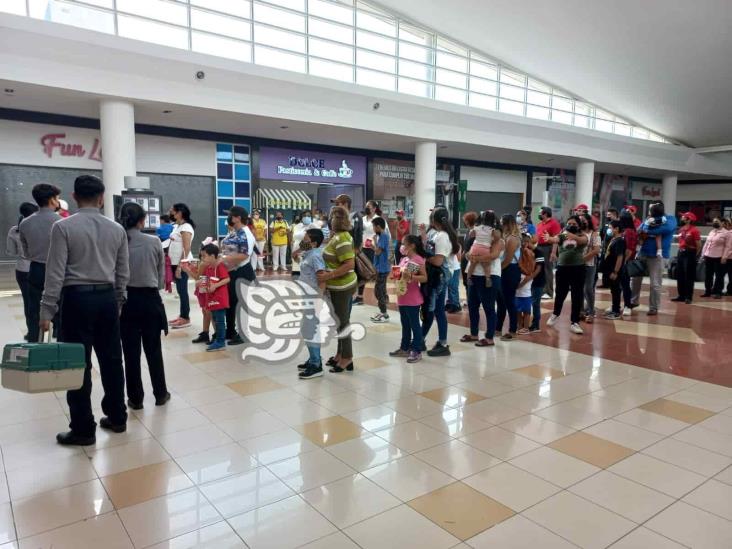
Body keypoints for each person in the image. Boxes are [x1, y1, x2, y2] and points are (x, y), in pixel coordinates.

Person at [40, 175, 128, 446]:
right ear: (102, 198)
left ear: (75, 197)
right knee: (112, 360)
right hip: (106, 300)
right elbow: (122, 271)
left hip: (76, 300)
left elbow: (55, 272)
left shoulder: (63, 227)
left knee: (78, 364)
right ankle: (117, 417)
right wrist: (118, 302)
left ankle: (83, 429)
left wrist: (46, 309)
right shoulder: (116, 229)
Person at [118, 203, 170, 410]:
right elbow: (159, 278)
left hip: (126, 301)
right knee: (153, 350)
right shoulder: (153, 241)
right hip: (149, 300)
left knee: (130, 354)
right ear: (142, 220)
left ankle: (135, 399)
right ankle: (160, 394)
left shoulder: (118, 241)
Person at [20, 183, 63, 343]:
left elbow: (26, 253)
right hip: (58, 271)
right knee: (61, 314)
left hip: (36, 270)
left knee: (34, 314)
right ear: (52, 200)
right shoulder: (62, 222)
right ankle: (62, 349)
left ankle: (34, 347)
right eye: (57, 198)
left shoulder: (25, 223)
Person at [318, 206, 357, 373]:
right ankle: (340, 354)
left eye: (333, 217)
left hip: (342, 286)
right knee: (339, 321)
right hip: (336, 286)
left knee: (342, 322)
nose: (330, 220)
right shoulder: (337, 237)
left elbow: (349, 264)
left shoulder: (342, 239)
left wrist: (328, 276)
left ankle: (347, 358)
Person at [422, 206, 460, 356]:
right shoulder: (440, 234)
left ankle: (434, 341)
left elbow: (438, 261)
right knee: (435, 310)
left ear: (434, 219)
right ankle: (425, 339)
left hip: (439, 277)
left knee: (434, 310)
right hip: (437, 277)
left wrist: (423, 255)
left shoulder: (442, 236)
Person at [462, 210, 503, 347]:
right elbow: (469, 251)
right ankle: (474, 334)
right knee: (472, 306)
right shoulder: (478, 234)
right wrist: (469, 256)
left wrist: (476, 258)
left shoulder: (498, 238)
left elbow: (493, 255)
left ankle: (489, 337)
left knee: (489, 307)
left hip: (489, 275)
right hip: (473, 274)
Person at [545, 215, 589, 334]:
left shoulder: (582, 236)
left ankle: (575, 322)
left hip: (578, 269)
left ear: (579, 226)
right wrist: (549, 238)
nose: (571, 225)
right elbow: (555, 240)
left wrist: (572, 235)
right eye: (569, 223)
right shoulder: (563, 235)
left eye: (574, 224)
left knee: (577, 295)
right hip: (562, 268)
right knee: (560, 293)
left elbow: (583, 241)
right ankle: (555, 314)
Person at [631, 202, 676, 315]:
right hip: (643, 252)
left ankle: (654, 307)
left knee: (655, 283)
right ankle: (633, 301)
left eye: (651, 208)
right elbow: (639, 230)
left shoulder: (670, 219)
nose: (649, 210)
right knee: (635, 279)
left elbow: (666, 229)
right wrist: (647, 228)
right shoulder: (648, 219)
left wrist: (648, 231)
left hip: (658, 255)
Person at [221, 206, 256, 345]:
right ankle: (230, 331)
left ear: (238, 218)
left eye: (231, 215)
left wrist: (224, 259)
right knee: (230, 303)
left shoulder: (245, 233)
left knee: (241, 304)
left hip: (242, 272)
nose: (229, 218)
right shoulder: (235, 232)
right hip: (231, 271)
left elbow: (244, 254)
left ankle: (243, 334)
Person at [389, 234, 428, 362]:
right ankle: (404, 348)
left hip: (412, 299)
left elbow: (423, 277)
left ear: (412, 246)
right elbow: (398, 275)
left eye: (404, 244)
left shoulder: (417, 260)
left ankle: (416, 350)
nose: (402, 246)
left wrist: (411, 277)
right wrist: (394, 274)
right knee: (405, 324)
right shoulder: (405, 259)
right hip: (402, 297)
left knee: (414, 325)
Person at [297, 228, 328, 379]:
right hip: (306, 296)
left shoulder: (316, 256)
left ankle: (316, 365)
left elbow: (322, 278)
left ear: (314, 243)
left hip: (312, 297)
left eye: (306, 239)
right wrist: (301, 248)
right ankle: (313, 358)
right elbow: (294, 255)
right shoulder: (308, 253)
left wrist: (319, 300)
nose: (303, 241)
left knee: (311, 329)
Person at [6, 202, 40, 340]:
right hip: (42, 266)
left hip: (23, 269)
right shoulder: (45, 227)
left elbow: (11, 251)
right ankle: (55, 328)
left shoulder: (15, 230)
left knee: (29, 301)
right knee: (51, 299)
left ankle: (32, 332)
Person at [196, 243, 231, 352]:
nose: (202, 258)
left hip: (219, 298)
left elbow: (226, 279)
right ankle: (218, 339)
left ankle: (220, 342)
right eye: (202, 256)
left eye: (204, 256)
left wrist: (215, 285)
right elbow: (206, 279)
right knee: (215, 319)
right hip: (211, 298)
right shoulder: (208, 268)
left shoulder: (219, 266)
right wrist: (200, 282)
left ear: (212, 256)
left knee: (220, 321)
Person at [496, 214, 522, 341]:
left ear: (507, 224)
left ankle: (513, 330)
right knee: (501, 301)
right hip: (504, 269)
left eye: (502, 223)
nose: (500, 225)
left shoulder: (512, 239)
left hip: (510, 270)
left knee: (509, 301)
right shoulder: (505, 237)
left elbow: (508, 259)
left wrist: (497, 270)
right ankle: (498, 328)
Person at [168, 203, 195, 328]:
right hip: (174, 263)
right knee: (179, 290)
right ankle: (182, 315)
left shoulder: (186, 227)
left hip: (182, 264)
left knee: (183, 290)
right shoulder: (177, 226)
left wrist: (180, 266)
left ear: (179, 213)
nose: (170, 212)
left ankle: (186, 317)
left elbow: (186, 248)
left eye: (172, 210)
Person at [672, 212, 702, 304]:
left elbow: (699, 245)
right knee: (680, 274)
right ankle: (681, 295)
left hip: (690, 253)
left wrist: (694, 255)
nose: (682, 218)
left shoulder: (694, 230)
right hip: (681, 252)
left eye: (684, 217)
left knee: (689, 275)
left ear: (689, 219)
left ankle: (688, 297)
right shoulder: (681, 229)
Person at [356, 199, 381, 305]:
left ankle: (381, 296)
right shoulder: (362, 219)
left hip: (372, 249)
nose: (367, 208)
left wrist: (376, 245)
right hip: (362, 249)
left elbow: (384, 234)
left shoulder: (378, 219)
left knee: (370, 273)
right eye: (366, 206)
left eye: (369, 207)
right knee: (360, 271)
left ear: (375, 208)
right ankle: (360, 296)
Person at [602, 220, 627, 320]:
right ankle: (614, 308)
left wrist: (615, 271)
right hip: (610, 269)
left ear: (616, 229)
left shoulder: (620, 241)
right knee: (613, 290)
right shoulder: (614, 239)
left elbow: (620, 257)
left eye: (610, 227)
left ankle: (616, 311)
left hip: (615, 270)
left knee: (616, 290)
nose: (609, 230)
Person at [701, 217, 731, 299]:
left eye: (717, 221)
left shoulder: (727, 233)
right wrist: (703, 254)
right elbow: (706, 244)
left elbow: (728, 247)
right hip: (708, 256)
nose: (714, 223)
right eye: (713, 221)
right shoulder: (712, 231)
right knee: (708, 275)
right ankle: (708, 291)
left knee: (719, 276)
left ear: (722, 223)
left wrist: (724, 257)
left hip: (719, 257)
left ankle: (718, 292)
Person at [536, 206, 561, 298]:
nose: (539, 214)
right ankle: (542, 290)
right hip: (539, 247)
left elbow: (556, 239)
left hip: (548, 247)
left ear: (545, 214)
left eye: (540, 213)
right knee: (540, 270)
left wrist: (553, 252)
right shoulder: (540, 224)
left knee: (547, 270)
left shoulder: (554, 223)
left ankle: (549, 292)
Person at [581, 213, 601, 323]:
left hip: (590, 264)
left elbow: (596, 250)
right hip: (578, 265)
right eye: (581, 220)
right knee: (579, 288)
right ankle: (581, 311)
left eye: (584, 220)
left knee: (588, 288)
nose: (583, 222)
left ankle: (591, 312)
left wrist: (583, 259)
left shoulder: (594, 234)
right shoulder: (578, 233)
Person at [370, 216, 391, 323]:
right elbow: (379, 250)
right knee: (380, 290)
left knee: (378, 291)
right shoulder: (381, 236)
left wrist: (372, 245)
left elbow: (378, 252)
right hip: (381, 267)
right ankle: (383, 311)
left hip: (383, 268)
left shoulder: (384, 236)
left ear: (378, 226)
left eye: (373, 226)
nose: (373, 229)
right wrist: (374, 241)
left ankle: (384, 313)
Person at [516, 233, 536, 334]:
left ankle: (526, 327)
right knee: (518, 309)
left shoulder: (530, 253)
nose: (524, 243)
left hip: (526, 280)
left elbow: (531, 268)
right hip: (520, 281)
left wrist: (523, 281)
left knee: (527, 310)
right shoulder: (518, 252)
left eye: (526, 241)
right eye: (522, 241)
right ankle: (519, 326)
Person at [465, 218, 494, 284]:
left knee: (472, 263)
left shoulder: (477, 227)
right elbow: (493, 238)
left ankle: (468, 278)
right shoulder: (491, 229)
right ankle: (488, 278)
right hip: (485, 248)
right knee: (486, 265)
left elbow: (471, 234)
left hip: (475, 247)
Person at [527, 236, 546, 333]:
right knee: (532, 302)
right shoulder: (526, 252)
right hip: (532, 281)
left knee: (535, 303)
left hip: (538, 281)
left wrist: (529, 278)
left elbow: (538, 269)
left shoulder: (539, 252)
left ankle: (536, 325)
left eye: (526, 241)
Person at [599, 208, 619, 288]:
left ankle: (612, 283)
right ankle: (605, 283)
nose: (607, 216)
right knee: (605, 266)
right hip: (605, 249)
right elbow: (602, 234)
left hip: (613, 249)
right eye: (607, 215)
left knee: (611, 266)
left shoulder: (618, 225)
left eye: (609, 215)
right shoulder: (606, 225)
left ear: (614, 215)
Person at [445, 247, 463, 314]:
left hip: (454, 268)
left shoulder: (455, 244)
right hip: (449, 268)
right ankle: (450, 303)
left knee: (453, 287)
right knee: (450, 287)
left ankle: (456, 305)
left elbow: (459, 258)